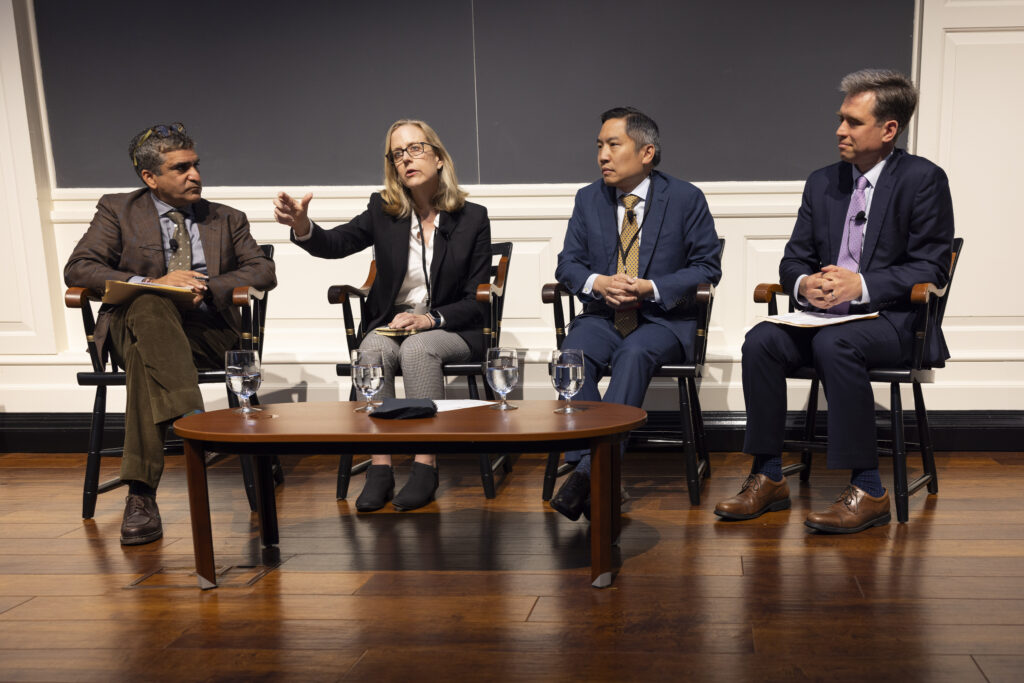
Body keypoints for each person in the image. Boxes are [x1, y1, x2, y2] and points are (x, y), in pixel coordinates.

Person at [715, 69, 954, 533]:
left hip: (893, 321)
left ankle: (869, 489)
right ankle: (767, 476)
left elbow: (930, 268)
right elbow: (793, 258)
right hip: (823, 319)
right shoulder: (823, 181)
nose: (839, 131)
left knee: (835, 345)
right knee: (761, 339)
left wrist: (859, 285)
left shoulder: (923, 179)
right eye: (840, 119)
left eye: (852, 122)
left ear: (889, 130)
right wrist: (804, 284)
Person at [64, 123, 277, 545]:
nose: (195, 175)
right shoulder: (118, 210)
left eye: (196, 165)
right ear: (150, 177)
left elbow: (262, 270)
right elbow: (79, 268)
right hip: (132, 325)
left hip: (207, 330)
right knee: (148, 304)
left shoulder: (226, 218)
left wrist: (205, 285)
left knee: (148, 363)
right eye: (180, 168)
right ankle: (195, 422)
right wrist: (155, 282)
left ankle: (141, 495)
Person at [274, 119, 491, 512]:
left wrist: (429, 319)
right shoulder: (383, 210)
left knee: (419, 349)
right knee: (371, 348)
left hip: (451, 328)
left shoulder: (472, 218)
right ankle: (381, 467)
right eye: (397, 154)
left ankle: (425, 465)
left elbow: (476, 301)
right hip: (394, 326)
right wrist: (304, 226)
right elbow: (337, 243)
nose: (406, 159)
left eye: (416, 149)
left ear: (439, 158)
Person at [549, 107, 722, 521]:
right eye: (599, 146)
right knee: (570, 359)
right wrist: (597, 282)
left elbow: (707, 267)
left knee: (634, 354)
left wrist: (651, 288)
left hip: (662, 321)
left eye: (613, 145)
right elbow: (567, 264)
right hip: (602, 319)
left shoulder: (685, 197)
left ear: (646, 153)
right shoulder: (588, 198)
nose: (602, 156)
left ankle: (587, 473)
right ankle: (599, 475)